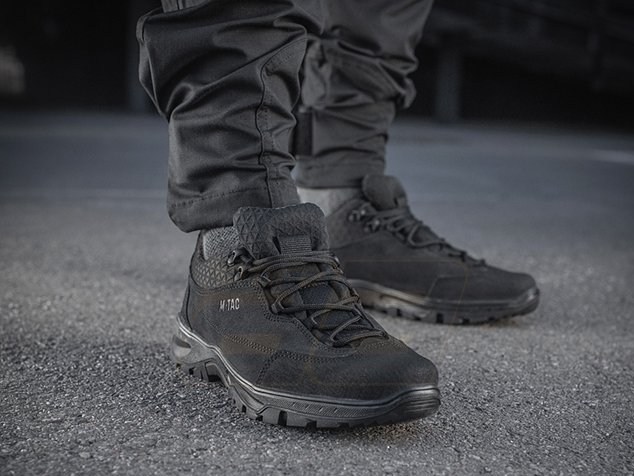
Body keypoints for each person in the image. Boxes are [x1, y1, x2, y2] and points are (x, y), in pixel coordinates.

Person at [137, 0, 539, 428]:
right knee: (243, 13)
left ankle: (345, 197)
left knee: (379, 11)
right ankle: (230, 249)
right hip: (237, 215)